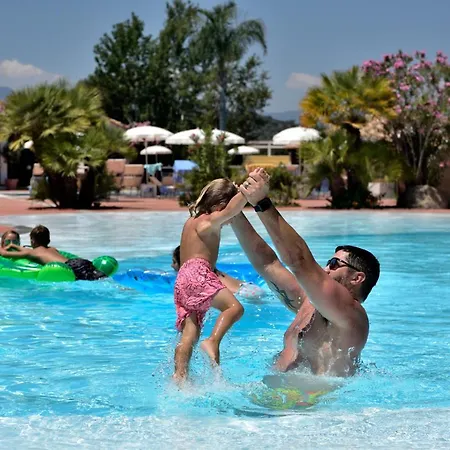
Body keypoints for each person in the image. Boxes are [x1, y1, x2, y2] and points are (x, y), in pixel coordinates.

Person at [233, 168, 380, 377]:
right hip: (277, 391)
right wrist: (232, 213)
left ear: (357, 278)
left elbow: (299, 262)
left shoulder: (352, 316)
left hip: (315, 396)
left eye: (334, 264)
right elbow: (268, 263)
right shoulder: (308, 303)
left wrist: (261, 203)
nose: (325, 268)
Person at [173, 178, 246, 382]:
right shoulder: (208, 221)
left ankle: (180, 376)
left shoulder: (191, 222)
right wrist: (247, 191)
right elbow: (232, 209)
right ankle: (213, 341)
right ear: (219, 205)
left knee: (191, 331)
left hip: (182, 278)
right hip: (198, 273)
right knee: (235, 308)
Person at [0, 225, 106, 281]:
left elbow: (4, 254)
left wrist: (4, 247)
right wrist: (13, 246)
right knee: (102, 279)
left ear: (32, 241)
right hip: (80, 262)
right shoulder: (52, 249)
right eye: (9, 242)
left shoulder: (33, 253)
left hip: (71, 268)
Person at [171, 246, 265, 301]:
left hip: (240, 296)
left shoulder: (197, 277)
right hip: (250, 287)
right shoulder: (211, 269)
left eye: (174, 262)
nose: (172, 265)